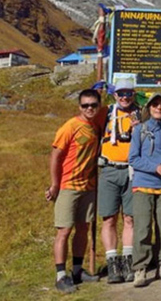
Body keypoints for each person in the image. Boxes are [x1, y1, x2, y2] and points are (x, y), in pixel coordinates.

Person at [47, 88, 106, 294]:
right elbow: (55, 156)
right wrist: (55, 184)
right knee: (64, 230)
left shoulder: (96, 124)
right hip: (68, 186)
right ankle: (61, 275)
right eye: (85, 105)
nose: (89, 108)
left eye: (93, 105)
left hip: (88, 187)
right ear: (79, 106)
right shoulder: (70, 126)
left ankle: (78, 270)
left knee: (83, 229)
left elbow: (115, 105)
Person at [128, 92, 161, 287]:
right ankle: (140, 269)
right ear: (149, 108)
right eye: (155, 105)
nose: (159, 108)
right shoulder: (140, 130)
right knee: (142, 229)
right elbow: (133, 158)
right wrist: (155, 167)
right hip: (143, 185)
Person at [98, 78, 140, 284]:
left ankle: (128, 260)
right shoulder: (105, 113)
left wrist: (139, 127)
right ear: (115, 95)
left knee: (130, 218)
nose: (125, 97)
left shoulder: (140, 114)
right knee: (109, 218)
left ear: (134, 95)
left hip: (132, 171)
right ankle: (112, 261)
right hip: (109, 169)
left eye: (129, 93)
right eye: (121, 93)